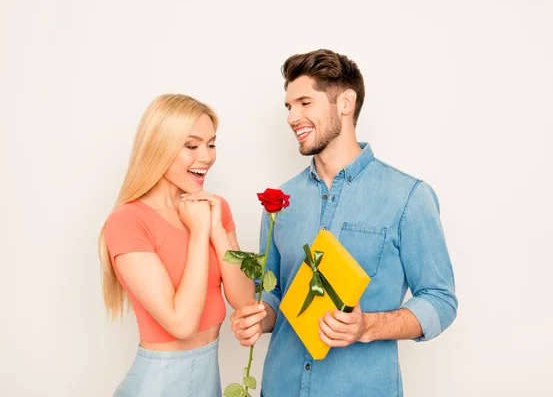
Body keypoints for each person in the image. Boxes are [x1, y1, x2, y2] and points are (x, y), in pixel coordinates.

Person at [230, 49, 458, 396]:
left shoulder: (408, 197)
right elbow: (275, 292)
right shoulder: (280, 202)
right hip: (281, 386)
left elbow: (441, 300)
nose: (293, 117)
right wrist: (260, 318)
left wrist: (368, 326)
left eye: (305, 103)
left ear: (345, 103)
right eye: (289, 107)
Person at [98, 94, 254, 396]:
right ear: (159, 147)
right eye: (192, 146)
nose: (206, 157)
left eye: (211, 144)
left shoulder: (214, 207)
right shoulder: (128, 221)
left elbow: (245, 300)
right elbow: (181, 324)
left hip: (208, 382)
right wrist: (198, 233)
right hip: (157, 383)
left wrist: (216, 230)